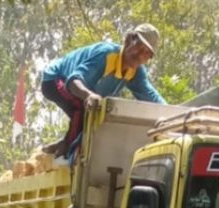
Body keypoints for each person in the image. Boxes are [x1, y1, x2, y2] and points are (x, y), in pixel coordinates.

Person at [41, 25, 167, 160]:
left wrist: (174, 115)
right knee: (82, 109)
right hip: (55, 79)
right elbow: (73, 81)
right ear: (128, 40)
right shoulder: (106, 55)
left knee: (95, 118)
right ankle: (66, 157)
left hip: (76, 88)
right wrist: (88, 95)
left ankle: (64, 144)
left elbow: (151, 97)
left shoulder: (136, 72)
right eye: (139, 46)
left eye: (147, 53)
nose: (140, 55)